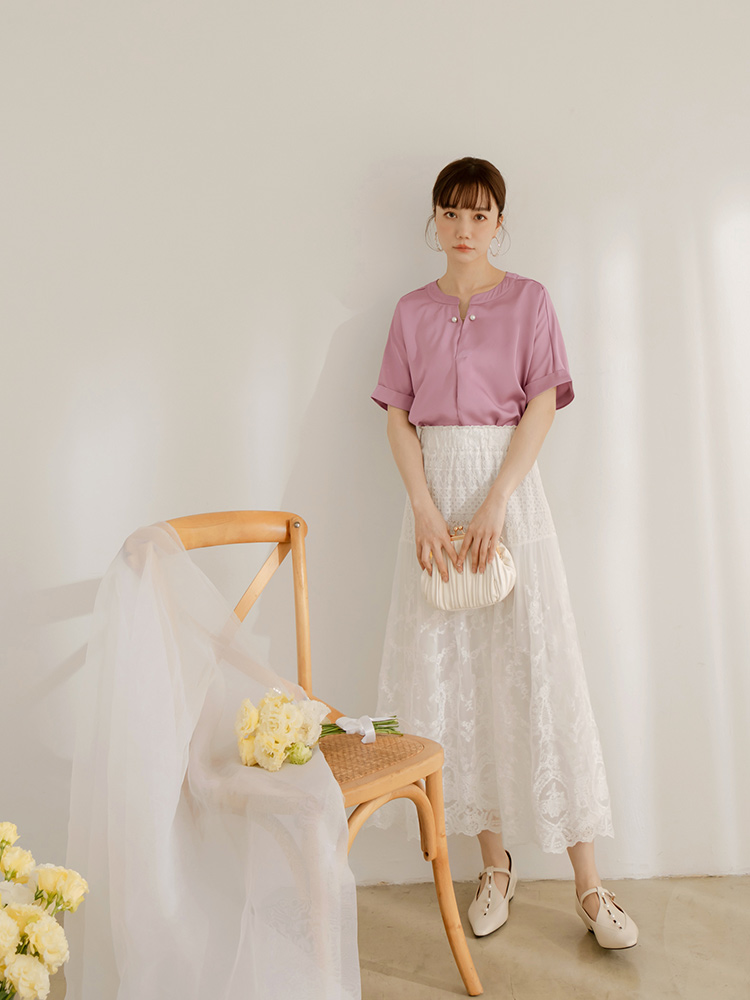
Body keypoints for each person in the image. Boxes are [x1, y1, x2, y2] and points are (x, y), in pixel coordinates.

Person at [369, 156, 638, 950]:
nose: (465, 228)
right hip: (433, 504)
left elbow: (542, 404)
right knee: (459, 680)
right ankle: (495, 868)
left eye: (479, 215)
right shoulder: (411, 312)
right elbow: (398, 417)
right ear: (434, 219)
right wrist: (424, 507)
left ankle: (591, 886)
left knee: (542, 667)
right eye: (452, 213)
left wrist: (497, 502)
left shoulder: (529, 301)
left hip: (507, 496)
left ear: (499, 222)